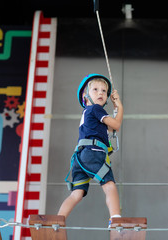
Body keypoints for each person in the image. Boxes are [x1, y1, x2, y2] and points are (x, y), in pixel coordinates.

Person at [58, 74, 123, 226]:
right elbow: (116, 125)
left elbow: (111, 129)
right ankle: (116, 219)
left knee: (76, 193)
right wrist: (119, 105)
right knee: (110, 186)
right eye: (95, 89)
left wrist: (115, 108)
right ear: (85, 95)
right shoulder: (95, 109)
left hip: (80, 157)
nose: (101, 93)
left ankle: (59, 220)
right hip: (93, 154)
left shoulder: (88, 113)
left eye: (104, 91)